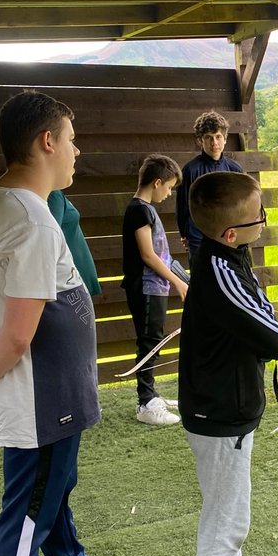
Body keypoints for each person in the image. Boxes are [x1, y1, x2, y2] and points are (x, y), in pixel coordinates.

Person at [0, 91, 128, 556]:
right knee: (25, 515)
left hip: (51, 397)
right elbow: (18, 337)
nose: (77, 151)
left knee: (49, 489)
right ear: (46, 141)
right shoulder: (30, 221)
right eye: (71, 138)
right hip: (39, 399)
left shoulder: (5, 203)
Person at [178, 171, 278, 556]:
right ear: (231, 233)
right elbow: (277, 337)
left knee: (229, 509)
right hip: (219, 414)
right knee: (226, 521)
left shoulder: (230, 256)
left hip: (227, 407)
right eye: (258, 216)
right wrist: (277, 327)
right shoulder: (222, 272)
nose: (264, 221)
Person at [121, 155, 189, 425]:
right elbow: (149, 256)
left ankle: (151, 395)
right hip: (146, 288)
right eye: (169, 187)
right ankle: (146, 403)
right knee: (149, 343)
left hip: (155, 287)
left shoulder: (146, 209)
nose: (169, 193)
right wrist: (177, 281)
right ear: (157, 182)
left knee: (154, 340)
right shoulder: (140, 210)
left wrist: (182, 276)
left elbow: (162, 256)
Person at [176, 111, 243, 265]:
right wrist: (184, 234)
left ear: (225, 139)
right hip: (198, 237)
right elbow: (182, 206)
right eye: (208, 138)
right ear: (200, 140)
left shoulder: (235, 170)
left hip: (228, 237)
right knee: (203, 281)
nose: (214, 143)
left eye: (218, 137)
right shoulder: (190, 170)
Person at [47, 190, 101, 299]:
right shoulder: (53, 195)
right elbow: (50, 239)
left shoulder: (56, 194)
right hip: (69, 282)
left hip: (75, 278)